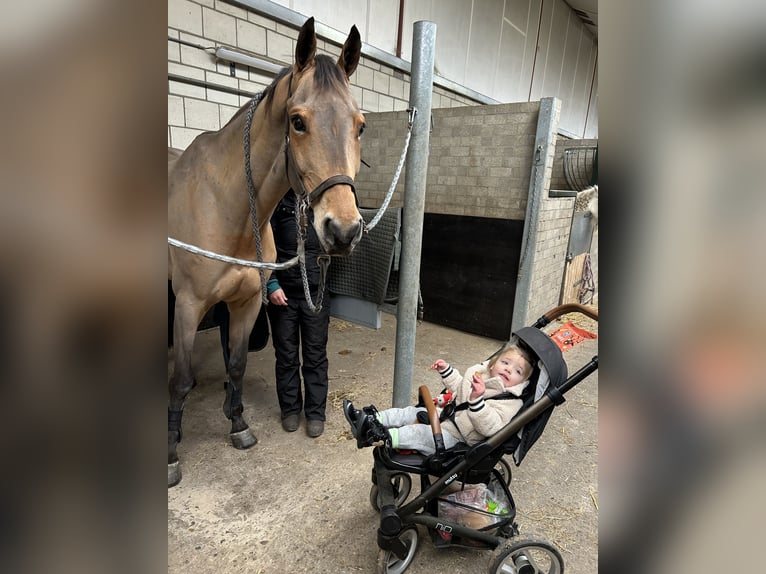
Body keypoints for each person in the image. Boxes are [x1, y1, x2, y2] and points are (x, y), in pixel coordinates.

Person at [343, 341, 534, 454]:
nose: (509, 369)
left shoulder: (511, 401)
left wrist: (477, 400)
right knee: (412, 412)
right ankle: (370, 419)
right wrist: (446, 371)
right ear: (493, 364)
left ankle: (380, 436)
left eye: (517, 371)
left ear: (521, 381)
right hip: (446, 417)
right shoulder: (480, 374)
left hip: (459, 437)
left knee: (420, 434)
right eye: (505, 362)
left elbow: (491, 427)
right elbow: (459, 387)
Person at [267, 189, 331, 438]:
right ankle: (290, 409)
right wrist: (271, 283)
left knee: (315, 354)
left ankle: (315, 413)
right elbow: (262, 243)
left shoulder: (324, 202)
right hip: (283, 293)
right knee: (286, 355)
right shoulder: (277, 202)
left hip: (316, 290)